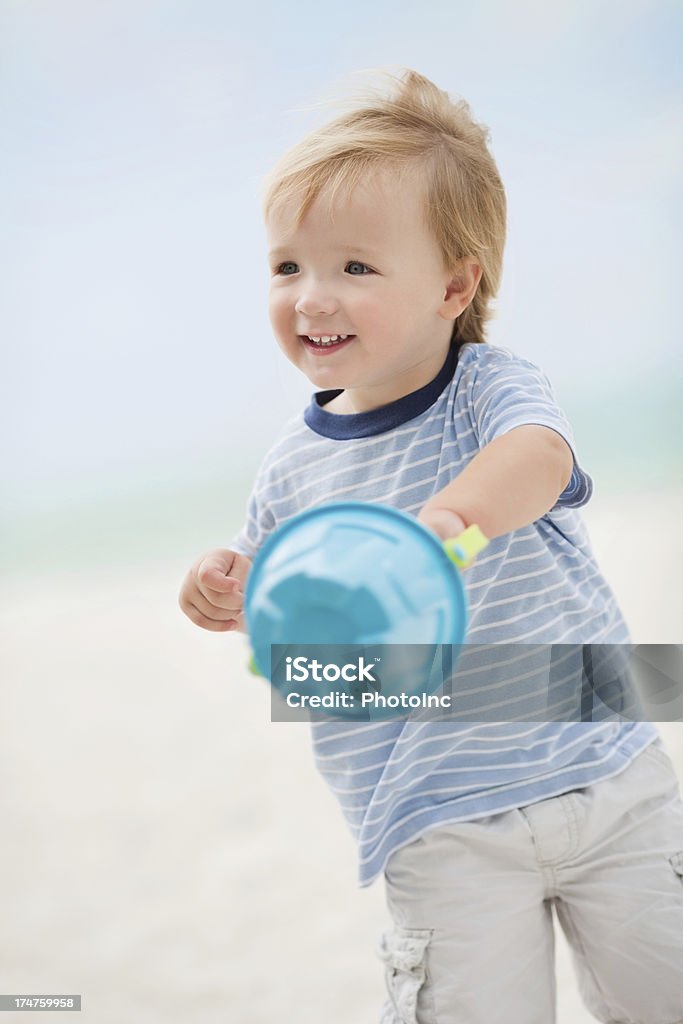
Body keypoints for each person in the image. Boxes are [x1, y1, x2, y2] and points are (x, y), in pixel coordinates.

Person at [178, 69, 683, 1024]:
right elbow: (277, 603)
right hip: (438, 819)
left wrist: (441, 526)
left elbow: (535, 458)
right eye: (288, 267)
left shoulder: (488, 391)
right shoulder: (292, 466)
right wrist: (223, 588)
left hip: (607, 777)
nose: (310, 296)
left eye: (354, 268)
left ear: (455, 284)